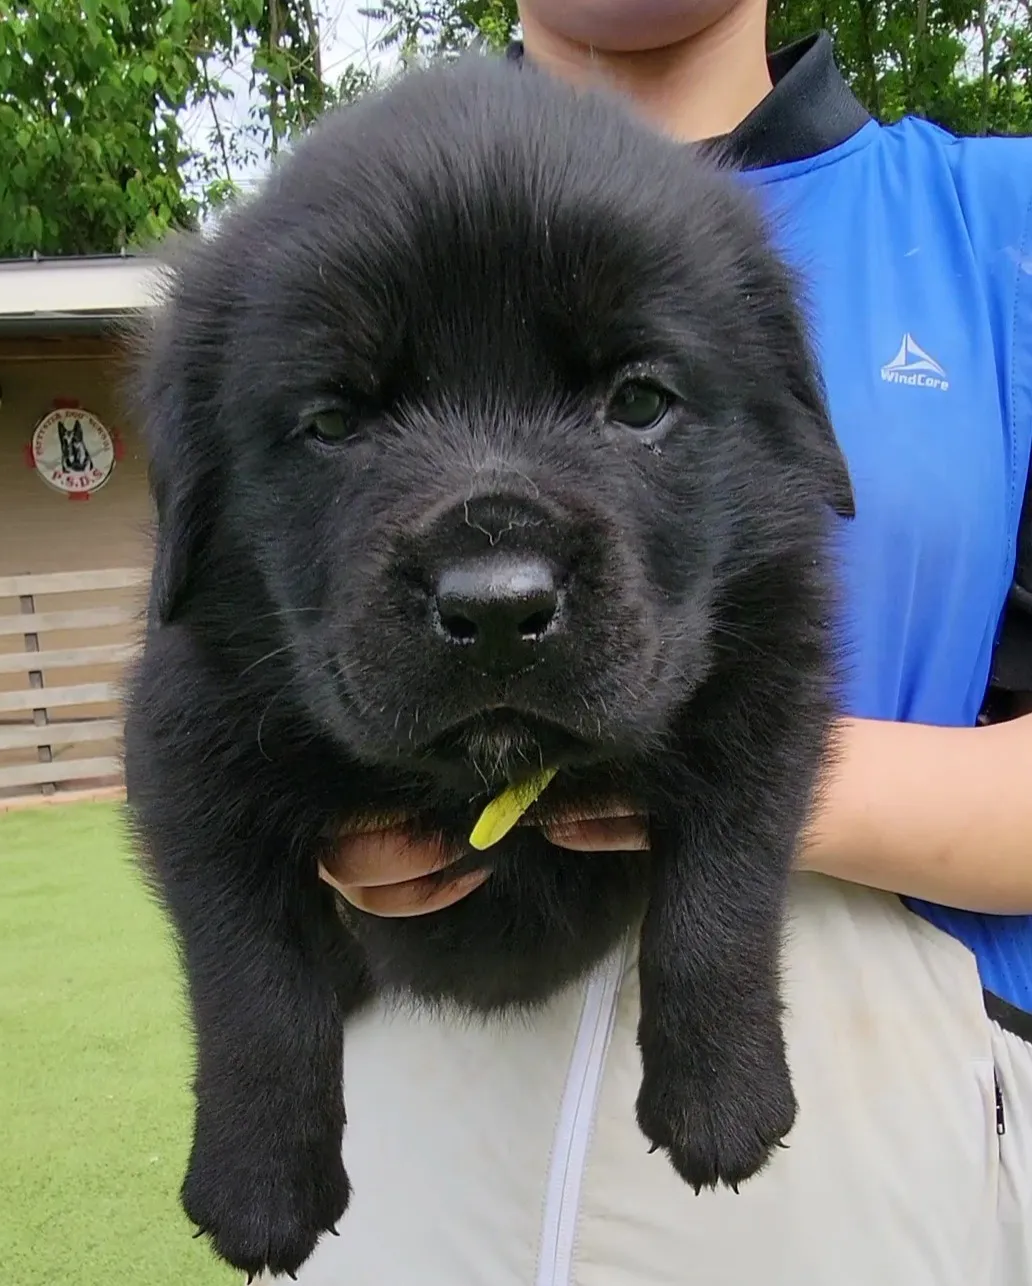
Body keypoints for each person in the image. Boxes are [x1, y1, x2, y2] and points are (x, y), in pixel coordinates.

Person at [292, 5, 1032, 1283]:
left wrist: (732, 768)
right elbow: (217, 663)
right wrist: (318, 819)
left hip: (855, 1189)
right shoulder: (332, 221)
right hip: (408, 1180)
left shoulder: (997, 228)